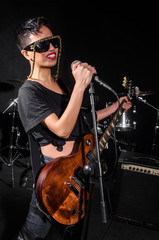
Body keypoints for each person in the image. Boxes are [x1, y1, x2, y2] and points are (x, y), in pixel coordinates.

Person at [14, 16, 132, 240]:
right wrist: (80, 86)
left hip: (77, 166)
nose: (51, 48)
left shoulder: (60, 85)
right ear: (27, 53)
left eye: (54, 42)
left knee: (74, 228)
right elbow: (62, 130)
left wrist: (116, 108)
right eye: (42, 44)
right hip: (54, 175)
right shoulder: (29, 92)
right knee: (33, 233)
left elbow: (80, 120)